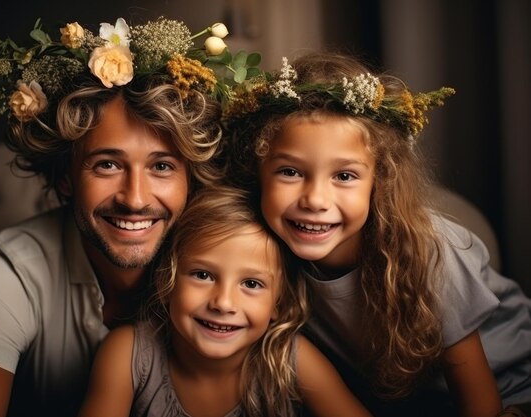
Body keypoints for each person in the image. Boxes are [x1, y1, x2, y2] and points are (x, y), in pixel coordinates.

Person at [0, 16, 235, 417]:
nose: (135, 199)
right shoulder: (12, 269)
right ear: (65, 179)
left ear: (190, 181)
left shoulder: (230, 272)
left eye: (162, 167)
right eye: (107, 165)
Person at [223, 51, 531, 417]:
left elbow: (482, 402)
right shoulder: (258, 248)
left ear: (379, 182)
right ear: (257, 170)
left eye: (344, 176)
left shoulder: (429, 249)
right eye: (290, 172)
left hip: (511, 390)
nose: (315, 200)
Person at [78, 185, 373, 417]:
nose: (223, 302)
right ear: (167, 281)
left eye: (251, 283)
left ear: (280, 304)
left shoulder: (290, 359)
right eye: (203, 275)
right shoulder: (128, 353)